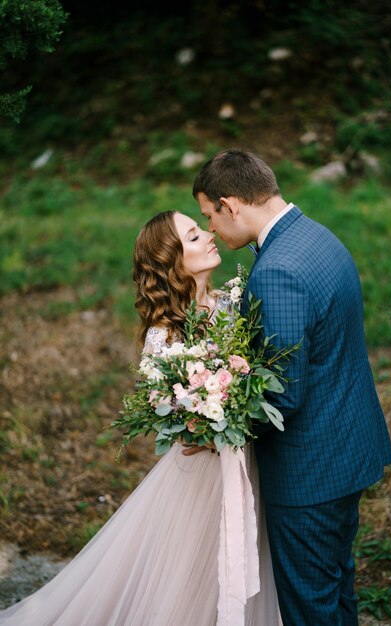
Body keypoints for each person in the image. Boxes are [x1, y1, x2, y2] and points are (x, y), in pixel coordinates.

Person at [0, 210, 282, 626]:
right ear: (174, 259)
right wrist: (201, 422)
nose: (209, 235)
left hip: (247, 461)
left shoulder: (236, 303)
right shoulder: (164, 335)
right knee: (191, 567)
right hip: (200, 472)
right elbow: (160, 404)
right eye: (193, 235)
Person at [193, 149, 391, 626]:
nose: (214, 230)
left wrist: (210, 421)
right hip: (349, 449)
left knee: (310, 607)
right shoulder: (317, 236)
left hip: (311, 473)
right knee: (336, 588)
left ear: (231, 204)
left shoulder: (276, 272)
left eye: (210, 216)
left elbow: (283, 394)